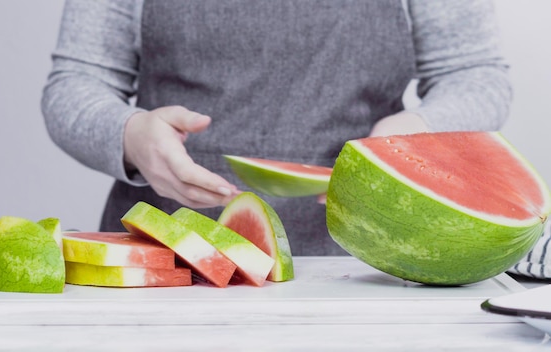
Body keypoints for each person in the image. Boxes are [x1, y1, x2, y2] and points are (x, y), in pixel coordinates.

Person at [41, 0, 511, 256]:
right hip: (170, 250)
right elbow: (75, 85)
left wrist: (413, 130)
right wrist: (130, 135)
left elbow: (475, 75)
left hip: (364, 253)